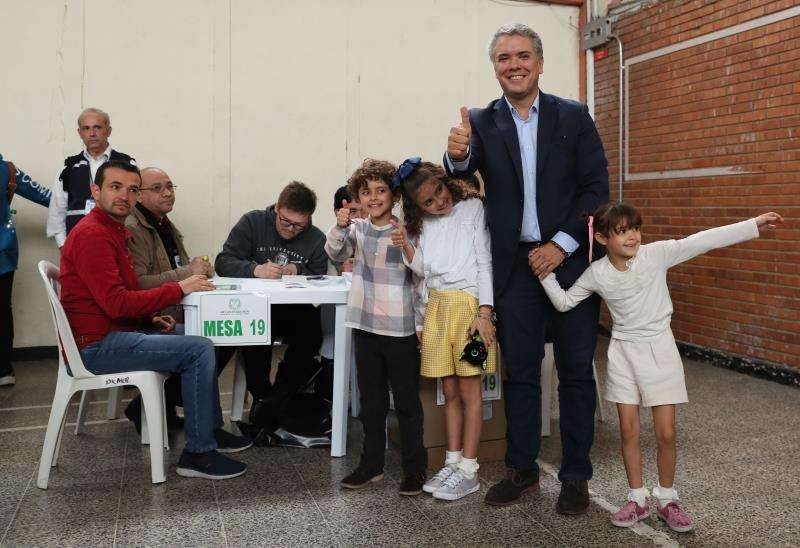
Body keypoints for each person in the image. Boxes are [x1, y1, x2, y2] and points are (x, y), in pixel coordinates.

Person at [444, 22, 610, 511]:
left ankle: (576, 475)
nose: (513, 65)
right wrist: (454, 157)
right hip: (514, 268)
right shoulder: (481, 119)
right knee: (519, 372)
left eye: (522, 56)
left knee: (577, 371)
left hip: (570, 261)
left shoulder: (574, 116)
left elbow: (595, 189)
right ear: (494, 68)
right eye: (503, 58)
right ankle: (522, 470)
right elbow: (462, 164)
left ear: (539, 63)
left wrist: (560, 245)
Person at [538, 203, 784, 532]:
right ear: (601, 238)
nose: (633, 237)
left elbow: (704, 239)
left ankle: (667, 498)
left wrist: (753, 224)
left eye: (635, 229)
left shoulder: (657, 254)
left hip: (660, 350)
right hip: (623, 353)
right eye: (623, 231)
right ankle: (637, 499)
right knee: (629, 431)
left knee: (666, 433)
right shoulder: (597, 273)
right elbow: (565, 301)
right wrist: (544, 274)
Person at [60, 160, 251, 479]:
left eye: (132, 189)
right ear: (96, 191)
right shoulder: (94, 235)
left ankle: (208, 431)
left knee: (204, 334)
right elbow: (117, 303)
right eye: (115, 187)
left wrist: (150, 316)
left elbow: (126, 291)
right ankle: (199, 453)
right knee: (200, 348)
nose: (124, 195)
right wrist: (178, 289)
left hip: (110, 332)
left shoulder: (112, 230)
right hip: (94, 347)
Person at [394, 158, 495, 501]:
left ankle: (470, 469)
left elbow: (485, 263)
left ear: (444, 180)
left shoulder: (472, 209)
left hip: (468, 310)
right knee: (448, 391)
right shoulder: (424, 222)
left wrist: (485, 313)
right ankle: (452, 463)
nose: (439, 202)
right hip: (436, 309)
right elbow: (424, 270)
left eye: (439, 191)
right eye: (428, 202)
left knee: (470, 392)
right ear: (417, 206)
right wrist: (407, 247)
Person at [325, 159, 427, 495]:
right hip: (366, 325)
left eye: (380, 190)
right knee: (372, 401)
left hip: (399, 328)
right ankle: (372, 465)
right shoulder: (357, 229)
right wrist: (339, 225)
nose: (373, 197)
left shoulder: (406, 231)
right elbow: (336, 252)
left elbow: (420, 278)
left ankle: (415, 468)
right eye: (366, 192)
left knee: (407, 402)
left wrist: (420, 323)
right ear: (358, 197)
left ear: (393, 195)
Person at [214, 181, 327, 412]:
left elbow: (320, 273)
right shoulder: (252, 222)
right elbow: (223, 262)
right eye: (285, 221)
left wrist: (298, 271)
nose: (290, 229)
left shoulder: (315, 238)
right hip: (253, 305)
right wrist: (256, 270)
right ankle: (262, 395)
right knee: (255, 331)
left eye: (299, 225)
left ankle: (279, 397)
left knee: (313, 331)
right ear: (277, 208)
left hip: (292, 309)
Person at [125, 167, 215, 430]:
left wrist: (198, 267)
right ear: (139, 196)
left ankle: (153, 405)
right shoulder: (134, 227)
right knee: (213, 339)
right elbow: (138, 285)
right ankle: (200, 426)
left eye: (170, 186)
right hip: (151, 317)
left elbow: (179, 268)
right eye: (157, 188)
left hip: (170, 309)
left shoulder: (164, 224)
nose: (167, 193)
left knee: (228, 331)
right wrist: (189, 272)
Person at [47, 108, 136, 248]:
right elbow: (57, 213)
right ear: (79, 133)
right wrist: (64, 247)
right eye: (86, 128)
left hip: (118, 243)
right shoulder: (69, 168)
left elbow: (135, 207)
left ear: (109, 131)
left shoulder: (126, 164)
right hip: (78, 245)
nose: (92, 133)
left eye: (97, 127)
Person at [0, 155, 51, 387]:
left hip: (2, 253)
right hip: (4, 251)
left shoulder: (6, 170)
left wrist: (91, 202)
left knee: (1, 309)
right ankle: (3, 369)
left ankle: (2, 368)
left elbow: (48, 197)